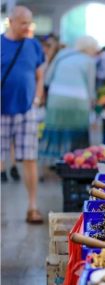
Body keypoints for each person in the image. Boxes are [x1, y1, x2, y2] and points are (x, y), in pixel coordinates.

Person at [1, 6, 45, 223]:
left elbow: (39, 75)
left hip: (27, 109)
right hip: (1, 111)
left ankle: (32, 207)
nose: (27, 27)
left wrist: (36, 99)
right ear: (11, 21)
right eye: (23, 23)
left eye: (29, 22)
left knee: (29, 158)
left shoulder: (33, 45)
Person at [39, 36, 98, 167]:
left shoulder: (62, 54)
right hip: (78, 101)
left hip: (56, 99)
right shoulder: (89, 61)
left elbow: (48, 79)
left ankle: (52, 161)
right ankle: (77, 162)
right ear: (90, 48)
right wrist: (93, 105)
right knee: (78, 132)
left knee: (56, 129)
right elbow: (90, 87)